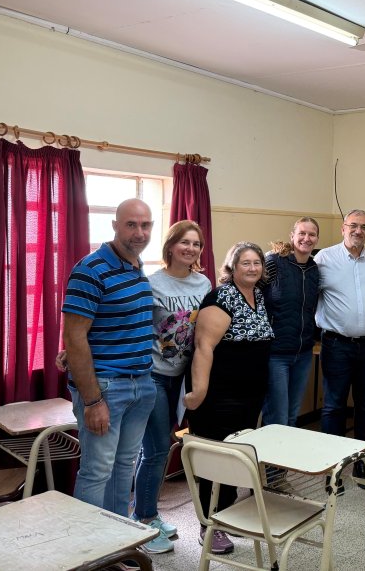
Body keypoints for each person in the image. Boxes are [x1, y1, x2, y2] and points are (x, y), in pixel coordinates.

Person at [62, 198, 157, 516]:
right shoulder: (91, 269)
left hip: (140, 386)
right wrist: (91, 402)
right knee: (97, 473)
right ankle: (90, 556)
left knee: (123, 471)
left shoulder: (136, 266)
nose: (139, 232)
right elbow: (74, 338)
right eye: (131, 224)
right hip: (105, 389)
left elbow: (110, 327)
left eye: (145, 225)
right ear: (115, 226)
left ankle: (117, 546)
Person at [184, 241, 274, 554]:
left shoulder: (258, 295)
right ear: (232, 267)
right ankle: (209, 525)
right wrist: (199, 393)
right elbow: (204, 348)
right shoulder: (222, 297)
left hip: (250, 395)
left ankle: (226, 516)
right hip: (220, 395)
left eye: (257, 263)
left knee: (237, 454)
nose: (252, 268)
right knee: (216, 460)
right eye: (245, 263)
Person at [132, 220, 211, 553]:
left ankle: (147, 512)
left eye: (196, 244)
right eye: (184, 242)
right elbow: (132, 324)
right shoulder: (152, 283)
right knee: (156, 449)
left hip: (183, 376)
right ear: (171, 245)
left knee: (159, 448)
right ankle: (144, 520)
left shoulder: (204, 282)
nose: (190, 249)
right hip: (154, 375)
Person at [315, 209, 365, 493]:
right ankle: (332, 470)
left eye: (364, 227)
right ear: (344, 228)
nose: (358, 231)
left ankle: (361, 464)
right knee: (333, 406)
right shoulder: (324, 259)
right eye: (353, 226)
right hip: (337, 345)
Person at [262, 217, 320, 430]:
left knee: (292, 417)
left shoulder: (314, 269)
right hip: (276, 354)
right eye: (302, 233)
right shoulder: (274, 262)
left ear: (316, 239)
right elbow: (254, 296)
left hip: (303, 354)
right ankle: (270, 464)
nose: (306, 238)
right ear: (292, 236)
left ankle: (283, 464)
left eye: (312, 234)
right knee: (277, 417)